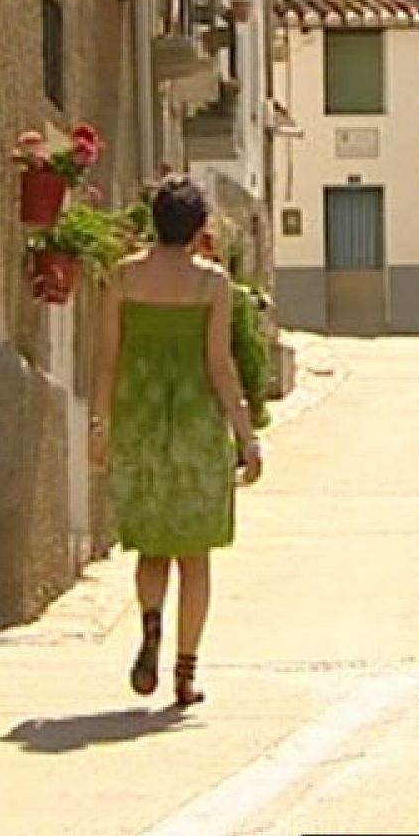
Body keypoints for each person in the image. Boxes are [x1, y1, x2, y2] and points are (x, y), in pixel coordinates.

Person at [89, 174, 263, 707]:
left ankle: (149, 628)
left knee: (151, 545)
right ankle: (185, 672)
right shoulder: (212, 285)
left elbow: (109, 358)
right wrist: (246, 435)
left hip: (139, 420)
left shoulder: (123, 278)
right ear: (198, 227)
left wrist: (100, 427)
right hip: (193, 426)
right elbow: (220, 366)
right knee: (195, 554)